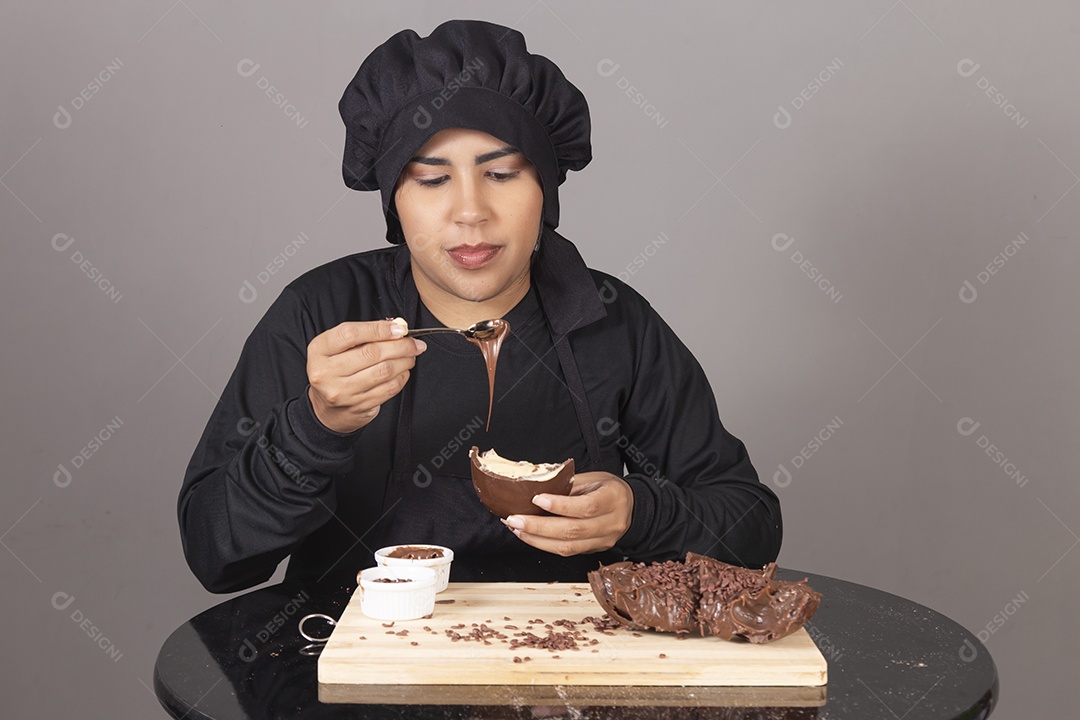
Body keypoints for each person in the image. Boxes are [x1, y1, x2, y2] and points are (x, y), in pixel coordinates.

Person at [179, 19, 781, 593]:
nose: (470, 212)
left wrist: (639, 513)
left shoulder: (613, 320)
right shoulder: (323, 312)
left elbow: (753, 524)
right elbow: (217, 556)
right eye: (432, 180)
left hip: (568, 674)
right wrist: (315, 426)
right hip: (354, 666)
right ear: (394, 201)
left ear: (544, 190)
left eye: (501, 173)